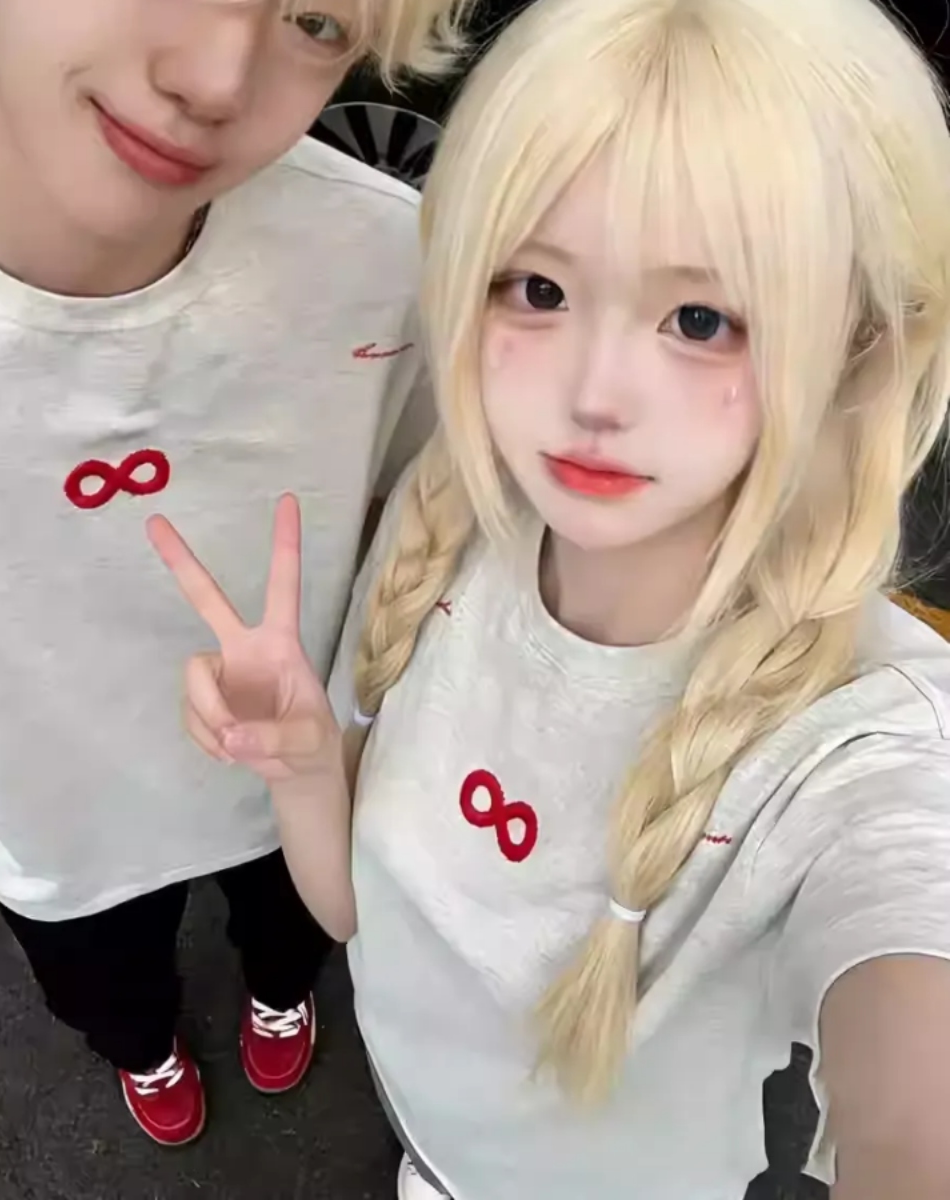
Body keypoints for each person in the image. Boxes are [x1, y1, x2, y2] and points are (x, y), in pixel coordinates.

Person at [150, 0, 950, 1192]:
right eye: (535, 288)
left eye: (700, 320)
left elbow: (913, 1087)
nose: (593, 394)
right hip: (428, 1147)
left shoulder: (871, 742)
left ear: (861, 344)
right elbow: (354, 914)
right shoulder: (446, 527)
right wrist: (306, 767)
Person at [0, 0, 465, 1147]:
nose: (218, 77)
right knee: (106, 994)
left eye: (318, 20)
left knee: (294, 937)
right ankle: (145, 1046)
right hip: (45, 819)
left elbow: (412, 529)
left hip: (298, 781)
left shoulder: (391, 263)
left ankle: (278, 994)